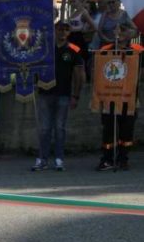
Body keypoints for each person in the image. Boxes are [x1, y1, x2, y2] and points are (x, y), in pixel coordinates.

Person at [31, 21, 85, 172]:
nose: (63, 32)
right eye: (60, 29)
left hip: (64, 94)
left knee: (60, 128)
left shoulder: (74, 50)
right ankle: (42, 158)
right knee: (44, 128)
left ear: (69, 33)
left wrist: (76, 95)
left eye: (66, 30)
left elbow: (79, 75)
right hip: (45, 92)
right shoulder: (45, 48)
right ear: (55, 30)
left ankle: (59, 159)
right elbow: (34, 66)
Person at [96, 25, 143, 171]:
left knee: (127, 130)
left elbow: (140, 72)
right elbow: (98, 70)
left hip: (129, 97)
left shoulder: (138, 50)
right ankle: (107, 159)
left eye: (124, 30)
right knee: (109, 129)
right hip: (110, 96)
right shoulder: (105, 50)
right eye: (118, 30)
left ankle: (123, 159)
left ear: (131, 33)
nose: (121, 33)